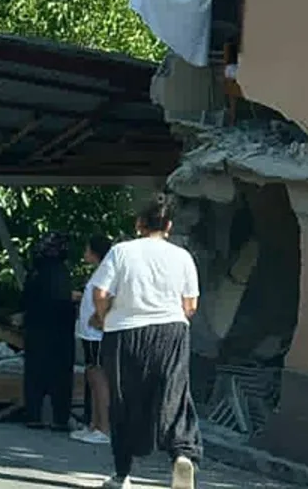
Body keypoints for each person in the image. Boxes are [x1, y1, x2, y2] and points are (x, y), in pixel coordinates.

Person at [92, 196, 202, 489]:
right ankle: (181, 453)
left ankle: (122, 474)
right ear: (168, 225)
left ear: (139, 224)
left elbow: (100, 293)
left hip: (124, 332)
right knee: (175, 395)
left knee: (124, 400)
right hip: (171, 331)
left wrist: (104, 318)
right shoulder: (182, 256)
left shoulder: (121, 252)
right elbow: (190, 305)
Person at [21, 231, 76, 432]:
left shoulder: (36, 271)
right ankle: (60, 417)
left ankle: (33, 414)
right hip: (60, 330)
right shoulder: (61, 272)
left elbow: (26, 299)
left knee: (35, 372)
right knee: (60, 375)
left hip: (36, 327)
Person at [72, 235, 113, 445]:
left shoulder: (107, 271)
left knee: (99, 379)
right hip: (88, 333)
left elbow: (108, 296)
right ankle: (94, 424)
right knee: (92, 376)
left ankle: (103, 427)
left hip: (97, 334)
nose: (84, 253)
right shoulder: (99, 271)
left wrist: (100, 318)